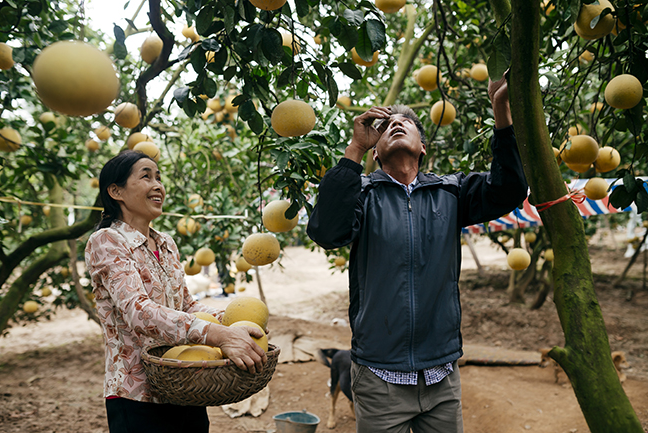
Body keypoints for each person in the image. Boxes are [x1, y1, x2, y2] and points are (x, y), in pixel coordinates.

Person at [306, 76, 527, 433]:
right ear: (376, 153)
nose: (394, 124)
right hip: (379, 378)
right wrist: (355, 150)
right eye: (387, 124)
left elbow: (509, 189)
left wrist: (501, 110)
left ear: (422, 147)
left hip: (441, 376)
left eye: (405, 122)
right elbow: (326, 232)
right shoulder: (362, 195)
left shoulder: (451, 192)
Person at [85, 150, 267, 433]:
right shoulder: (107, 240)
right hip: (137, 393)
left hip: (184, 382)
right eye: (146, 176)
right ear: (116, 190)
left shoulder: (165, 243)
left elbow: (186, 305)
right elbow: (138, 311)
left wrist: (235, 323)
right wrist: (217, 334)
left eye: (159, 177)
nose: (158, 185)